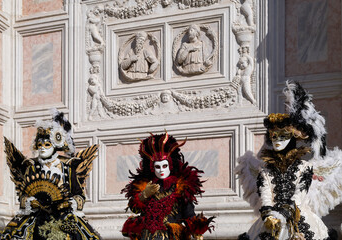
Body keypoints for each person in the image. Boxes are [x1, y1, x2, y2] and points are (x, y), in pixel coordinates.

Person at [236, 81, 341, 240]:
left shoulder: (304, 167)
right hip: (270, 220)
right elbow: (265, 194)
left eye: (283, 136)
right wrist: (268, 214)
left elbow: (299, 195)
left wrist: (284, 214)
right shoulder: (266, 170)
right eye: (274, 136)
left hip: (298, 217)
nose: (278, 140)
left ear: (292, 139)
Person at [0, 110, 101, 240]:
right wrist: (29, 202)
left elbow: (79, 195)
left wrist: (69, 203)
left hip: (63, 216)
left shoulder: (67, 168)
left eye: (47, 144)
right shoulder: (31, 167)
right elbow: (23, 195)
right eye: (39, 145)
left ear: (55, 146)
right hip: (36, 216)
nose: (42, 148)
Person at [121, 132, 214, 240]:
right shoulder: (144, 185)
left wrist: (196, 231)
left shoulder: (181, 186)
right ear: (152, 168)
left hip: (172, 236)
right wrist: (143, 195)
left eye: (164, 166)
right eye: (157, 167)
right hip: (147, 235)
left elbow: (188, 212)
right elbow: (135, 209)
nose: (161, 170)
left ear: (170, 165)